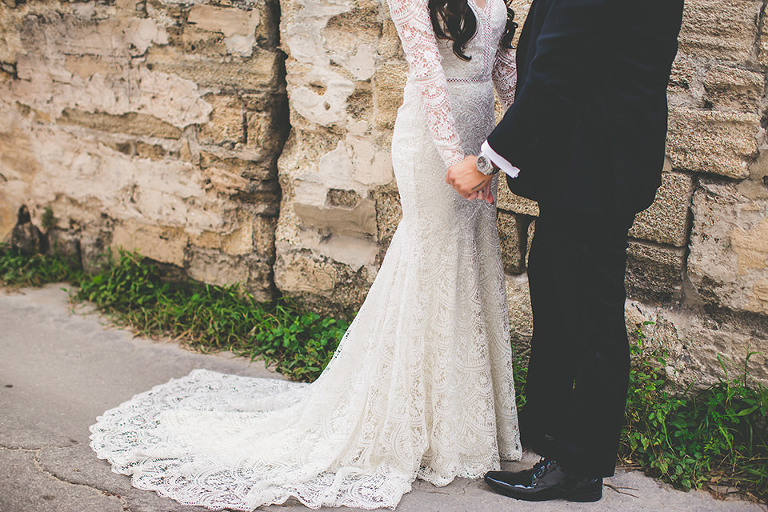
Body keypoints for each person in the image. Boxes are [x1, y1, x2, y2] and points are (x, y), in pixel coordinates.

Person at [90, 0, 522, 509]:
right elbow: (428, 78)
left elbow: (503, 71)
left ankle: (462, 424)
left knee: (468, 260)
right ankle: (413, 422)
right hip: (433, 146)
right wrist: (456, 162)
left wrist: (509, 147)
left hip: (480, 140)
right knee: (431, 260)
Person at [446, 0, 685, 502]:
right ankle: (546, 425)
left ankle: (580, 466)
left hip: (595, 165)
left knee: (591, 310)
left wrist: (489, 161)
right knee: (553, 280)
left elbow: (559, 68)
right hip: (592, 159)